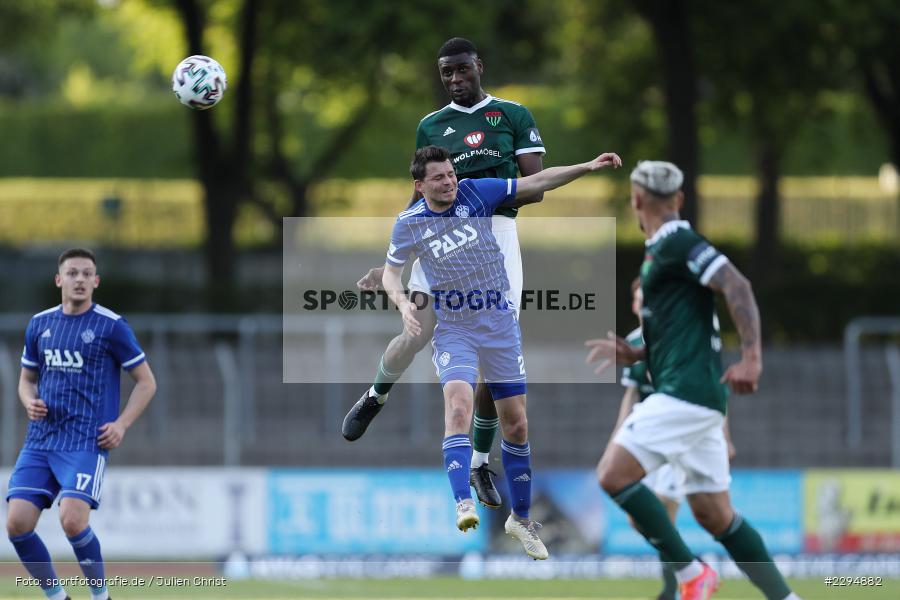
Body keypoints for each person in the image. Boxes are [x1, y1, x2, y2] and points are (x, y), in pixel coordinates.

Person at [381, 145, 620, 558]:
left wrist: (586, 165)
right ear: (420, 186)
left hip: (499, 326)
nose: (450, 181)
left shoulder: (477, 192)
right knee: (459, 406)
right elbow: (390, 272)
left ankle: (520, 520)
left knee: (517, 425)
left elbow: (535, 181)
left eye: (451, 173)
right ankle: (462, 501)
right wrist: (404, 305)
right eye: (439, 177)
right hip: (454, 328)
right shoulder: (409, 224)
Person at [343, 37, 546, 510]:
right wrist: (396, 259)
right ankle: (376, 394)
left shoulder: (512, 115)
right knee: (416, 331)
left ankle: (477, 461)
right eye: (446, 74)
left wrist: (472, 187)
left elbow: (533, 185)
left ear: (479, 66)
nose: (455, 80)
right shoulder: (432, 125)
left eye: (462, 70)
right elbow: (420, 197)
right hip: (439, 236)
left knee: (492, 364)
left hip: (496, 236)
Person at [588, 162, 800, 600]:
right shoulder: (661, 252)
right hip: (701, 398)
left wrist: (752, 359)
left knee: (612, 475)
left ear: (636, 199)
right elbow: (685, 325)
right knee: (715, 514)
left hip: (685, 393)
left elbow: (737, 286)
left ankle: (690, 575)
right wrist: (640, 352)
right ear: (679, 198)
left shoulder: (677, 242)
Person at [6, 248, 157, 600]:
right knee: (17, 525)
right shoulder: (40, 324)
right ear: (59, 279)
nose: (80, 280)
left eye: (87, 274)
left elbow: (147, 382)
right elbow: (26, 380)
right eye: (72, 273)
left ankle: (101, 596)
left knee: (73, 520)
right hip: (41, 441)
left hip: (86, 442)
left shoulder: (111, 326)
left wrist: (121, 425)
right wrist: (30, 402)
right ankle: (58, 597)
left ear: (96, 281)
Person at [592, 277, 736, 600]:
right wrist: (618, 435)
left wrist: (725, 435)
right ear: (634, 304)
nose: (644, 303)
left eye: (649, 297)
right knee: (638, 519)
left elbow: (714, 389)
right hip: (650, 435)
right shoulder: (633, 341)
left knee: (669, 514)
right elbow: (632, 395)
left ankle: (676, 588)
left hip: (681, 434)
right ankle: (692, 569)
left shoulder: (685, 336)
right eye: (640, 298)